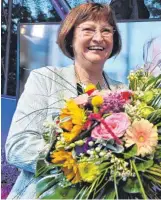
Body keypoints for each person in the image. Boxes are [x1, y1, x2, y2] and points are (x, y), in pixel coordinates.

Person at [5, 3, 126, 199]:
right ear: (70, 38)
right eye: (88, 29)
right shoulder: (45, 79)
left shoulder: (122, 92)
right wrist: (74, 157)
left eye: (106, 30)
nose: (98, 37)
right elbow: (17, 147)